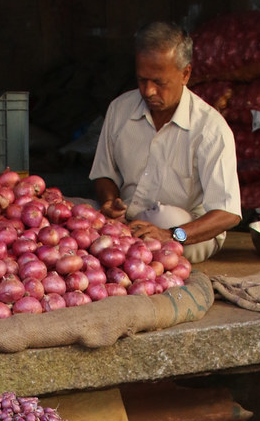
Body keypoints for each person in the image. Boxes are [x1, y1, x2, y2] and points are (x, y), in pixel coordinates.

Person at [89, 21, 242, 263]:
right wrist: (110, 202)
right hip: (130, 222)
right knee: (72, 215)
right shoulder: (120, 109)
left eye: (159, 82)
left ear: (185, 74)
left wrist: (171, 235)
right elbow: (103, 173)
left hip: (185, 231)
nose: (148, 91)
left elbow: (228, 213)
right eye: (142, 80)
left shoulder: (210, 128)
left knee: (163, 228)